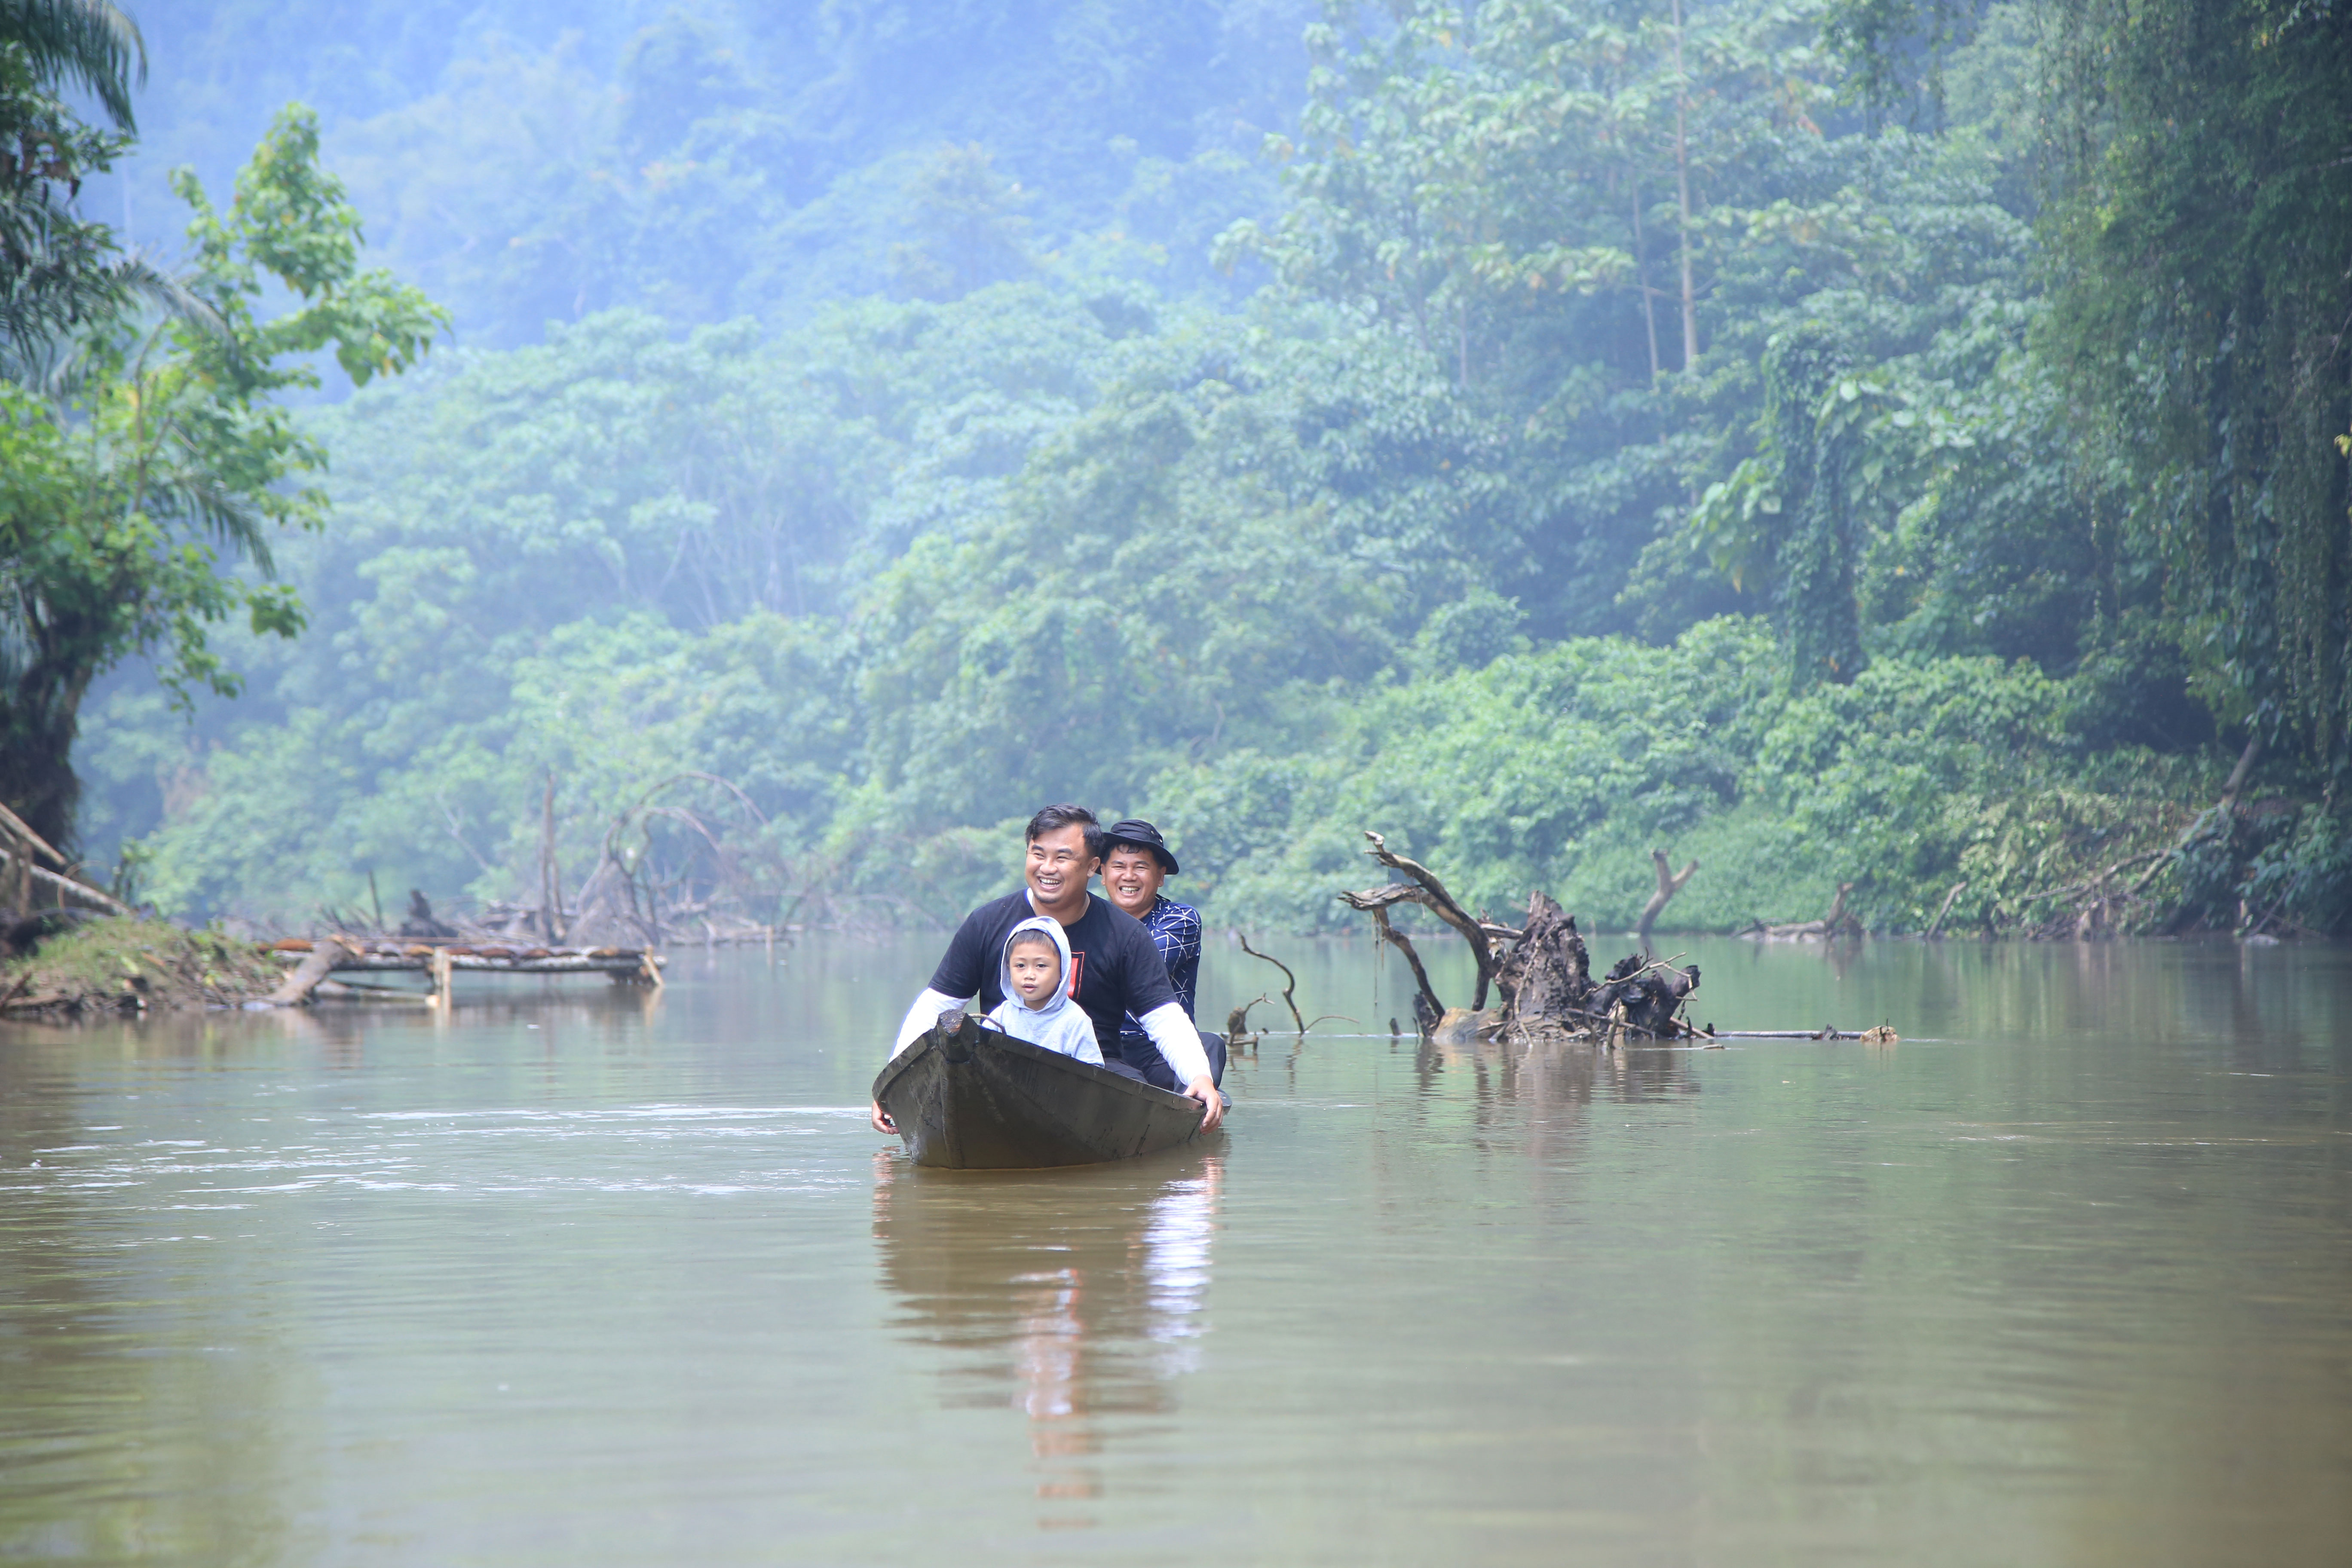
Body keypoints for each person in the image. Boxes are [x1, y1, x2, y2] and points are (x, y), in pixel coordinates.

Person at [873, 804, 1223, 1134]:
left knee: (1138, 1093)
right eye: (1038, 854)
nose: (1047, 868)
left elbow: (1163, 1017)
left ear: (1092, 867)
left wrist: (1200, 1077)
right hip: (1000, 1066)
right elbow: (938, 1003)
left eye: (1063, 857)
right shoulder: (987, 923)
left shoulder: (1125, 934)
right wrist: (893, 1083)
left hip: (1095, 1072)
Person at [1099, 818, 1218, 1092]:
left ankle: (1189, 1099)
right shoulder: (1088, 918)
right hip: (1103, 1046)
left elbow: (1140, 972)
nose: (1129, 876)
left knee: (1211, 1045)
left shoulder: (1181, 919)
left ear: (1161, 876)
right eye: (1119, 866)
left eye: (1141, 867)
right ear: (1102, 873)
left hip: (1159, 1050)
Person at [982, 916, 1103, 1063]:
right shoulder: (1002, 1016)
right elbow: (982, 1056)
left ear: (1062, 971)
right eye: (1020, 966)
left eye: (1041, 966)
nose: (1029, 975)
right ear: (1008, 969)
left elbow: (1093, 1071)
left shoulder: (1075, 1020)